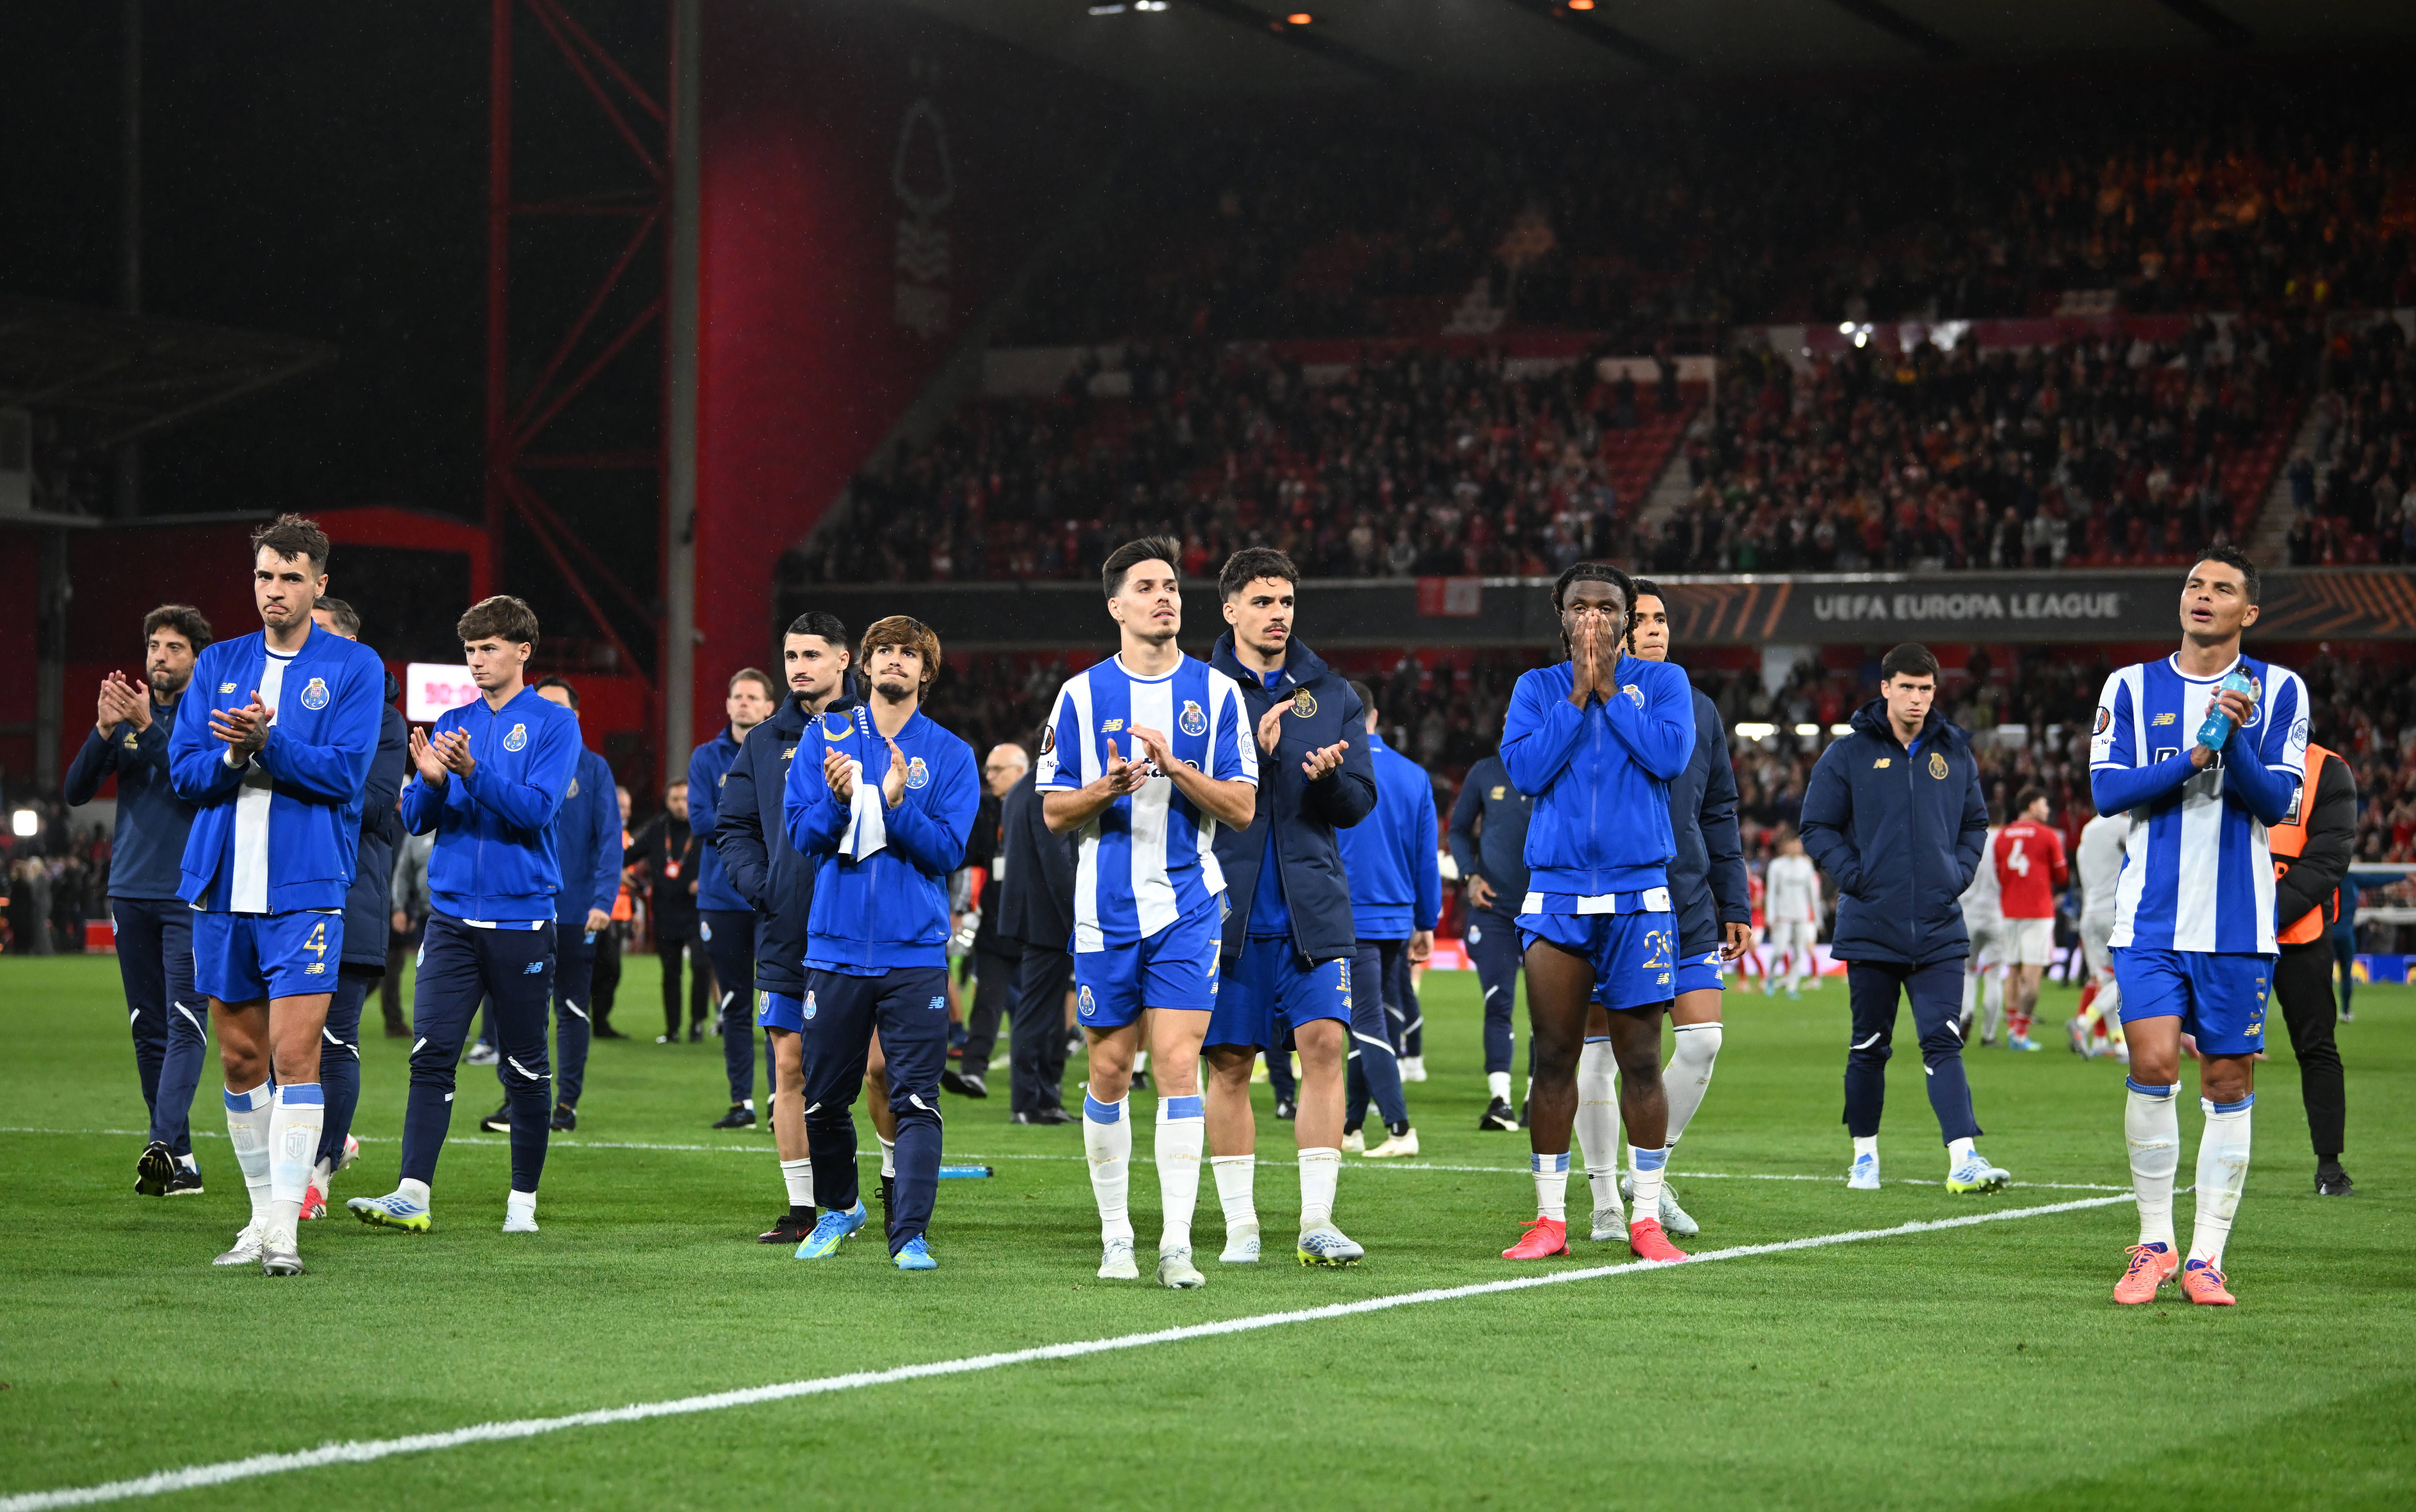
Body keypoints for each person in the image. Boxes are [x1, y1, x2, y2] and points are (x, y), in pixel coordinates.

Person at [2090, 547, 2307, 1306]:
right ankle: (2152, 1243)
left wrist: (2235, 736)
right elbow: (2108, 790)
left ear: (2247, 612)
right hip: (2147, 917)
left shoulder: (2279, 689)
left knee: (2225, 1079)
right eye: (2193, 584)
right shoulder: (2130, 685)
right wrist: (2194, 754)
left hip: (2237, 924)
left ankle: (2205, 1258)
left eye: (2221, 589)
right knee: (2151, 1063)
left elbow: (2275, 802)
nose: (2201, 596)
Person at [1039, 537, 1259, 1287]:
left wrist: (1174, 768)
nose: (1165, 596)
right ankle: (1114, 1236)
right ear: (1116, 606)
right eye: (1146, 586)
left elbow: (1240, 807)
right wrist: (1106, 788)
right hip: (1103, 911)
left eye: (1170, 585)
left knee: (1175, 1064)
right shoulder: (1078, 696)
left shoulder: (1218, 693)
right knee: (1106, 1068)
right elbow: (1053, 812)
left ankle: (1173, 1244)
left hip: (1187, 905)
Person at [169, 515, 385, 1275]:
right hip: (225, 883)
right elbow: (186, 774)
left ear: (319, 584)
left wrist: (271, 744)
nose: (275, 591)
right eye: (265, 576)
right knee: (237, 1061)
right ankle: (260, 1221)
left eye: (292, 578)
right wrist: (232, 751)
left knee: (296, 1056)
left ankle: (287, 1231)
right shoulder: (220, 662)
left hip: (305, 884)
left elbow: (344, 774)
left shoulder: (356, 668)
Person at [349, 596, 581, 1237]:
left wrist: (471, 773)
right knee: (431, 1055)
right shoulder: (454, 718)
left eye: (490, 647)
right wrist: (428, 782)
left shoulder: (554, 724)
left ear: (523, 650)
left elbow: (536, 811)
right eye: (471, 649)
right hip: (449, 918)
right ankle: (412, 1193)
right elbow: (419, 822)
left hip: (522, 919)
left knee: (526, 1065)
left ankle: (522, 1203)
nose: (477, 660)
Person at [1499, 562, 1693, 1265]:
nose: (1593, 617)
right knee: (1553, 1058)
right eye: (1578, 605)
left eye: (1606, 606)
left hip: (1638, 897)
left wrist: (1609, 687)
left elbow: (1668, 757)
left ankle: (1645, 1219)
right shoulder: (1536, 689)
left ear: (1625, 617)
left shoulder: (1663, 685)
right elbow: (1525, 772)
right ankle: (1549, 1220)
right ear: (1560, 616)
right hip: (1555, 898)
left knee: (1641, 1059)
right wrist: (1577, 695)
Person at [781, 616, 978, 1271]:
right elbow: (803, 836)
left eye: (910, 653)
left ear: (927, 671)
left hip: (915, 953)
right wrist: (841, 802)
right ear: (865, 665)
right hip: (834, 948)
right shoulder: (823, 737)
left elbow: (949, 850)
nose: (896, 661)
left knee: (917, 1097)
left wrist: (893, 804)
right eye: (885, 651)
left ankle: (911, 1234)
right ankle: (840, 1208)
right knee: (822, 1097)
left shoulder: (950, 754)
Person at [1199, 552, 1375, 1269]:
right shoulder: (1198, 691)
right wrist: (1256, 761)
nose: (1278, 612)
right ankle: (1241, 1225)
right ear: (1230, 609)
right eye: (1263, 599)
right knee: (1232, 1063)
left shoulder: (1330, 695)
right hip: (1225, 913)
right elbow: (1179, 791)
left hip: (1312, 907)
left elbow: (1358, 801)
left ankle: (1316, 1220)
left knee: (1324, 1050)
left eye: (1287, 600)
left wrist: (1329, 780)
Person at [1800, 642, 2011, 1197]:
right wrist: (1855, 876)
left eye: (1926, 689)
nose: (1917, 698)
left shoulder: (1955, 752)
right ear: (1886, 688)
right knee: (1869, 1044)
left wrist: (1956, 874)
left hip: (1940, 924)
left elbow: (1975, 822)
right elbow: (1816, 824)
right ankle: (1864, 1155)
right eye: (1908, 687)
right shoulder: (1847, 755)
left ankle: (1963, 1157)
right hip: (1871, 922)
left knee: (1943, 1039)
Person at [1591, 580, 1750, 1241]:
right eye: (1643, 620)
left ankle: (1647, 1170)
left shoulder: (1700, 709)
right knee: (1601, 1056)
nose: (1656, 630)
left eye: (1662, 619)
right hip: (1609, 896)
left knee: (1704, 1041)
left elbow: (1717, 809)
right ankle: (1603, 1202)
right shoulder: (1586, 703)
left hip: (1686, 896)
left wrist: (1733, 895)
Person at [66, 603, 211, 1198]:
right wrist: (104, 731)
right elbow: (76, 791)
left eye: (174, 646)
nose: (160, 655)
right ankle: (179, 1158)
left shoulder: (208, 717)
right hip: (129, 890)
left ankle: (160, 1140)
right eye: (155, 644)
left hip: (187, 892)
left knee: (184, 1021)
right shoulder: (127, 720)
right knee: (146, 1027)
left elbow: (192, 785)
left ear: (196, 659)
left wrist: (148, 728)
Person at [717, 611, 853, 1244]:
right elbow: (735, 825)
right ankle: (804, 1207)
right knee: (789, 1064)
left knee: (878, 1069)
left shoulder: (874, 728)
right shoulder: (764, 742)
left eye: (812, 655)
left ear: (843, 660)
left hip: (862, 928)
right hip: (786, 927)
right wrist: (761, 885)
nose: (798, 666)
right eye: (791, 655)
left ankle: (884, 1195)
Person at [297, 597, 407, 1222]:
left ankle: (318, 1170)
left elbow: (374, 805)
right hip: (281, 897)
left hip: (349, 895)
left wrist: (290, 764)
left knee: (334, 1039)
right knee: (273, 1048)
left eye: (326, 635)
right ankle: (326, 1141)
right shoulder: (285, 705)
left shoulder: (384, 720)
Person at [477, 676, 620, 1135]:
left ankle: (566, 1105)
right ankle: (517, 1100)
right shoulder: (515, 766)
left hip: (577, 912)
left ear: (575, 719)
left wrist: (604, 900)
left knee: (572, 1010)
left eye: (559, 708)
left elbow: (609, 840)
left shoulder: (594, 769)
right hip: (522, 909)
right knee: (518, 1009)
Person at [1335, 679, 1431, 1162]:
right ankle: (1351, 1125)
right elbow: (1424, 857)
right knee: (1368, 1016)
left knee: (1365, 1019)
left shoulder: (1331, 773)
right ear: (1374, 717)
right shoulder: (1413, 776)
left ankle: (1399, 1128)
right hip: (1396, 916)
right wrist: (1426, 921)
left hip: (1351, 914)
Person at [690, 667, 779, 1128]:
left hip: (771, 897)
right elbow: (701, 820)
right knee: (734, 1004)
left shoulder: (783, 751)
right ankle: (742, 1101)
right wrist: (751, 818)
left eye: (753, 697)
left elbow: (721, 820)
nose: (744, 703)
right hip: (721, 898)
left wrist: (736, 819)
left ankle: (777, 1101)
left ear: (769, 707)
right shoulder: (706, 757)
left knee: (777, 1002)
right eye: (737, 696)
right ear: (727, 705)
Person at [2267, 740, 2355, 1198]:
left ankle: (2329, 1167)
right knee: (2218, 1050)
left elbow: (2328, 859)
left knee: (2316, 1048)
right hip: (2229, 930)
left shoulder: (2327, 769)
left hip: (2296, 932)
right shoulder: (2221, 754)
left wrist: (2259, 912)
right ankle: (2219, 1163)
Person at [995, 730, 1078, 1125]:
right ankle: (1029, 1102)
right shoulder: (1047, 789)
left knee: (1042, 1012)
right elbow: (1057, 861)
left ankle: (1042, 1098)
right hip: (1049, 918)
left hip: (1034, 915)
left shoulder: (1024, 787)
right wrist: (1079, 918)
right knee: (1037, 1014)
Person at [1448, 741, 1532, 1131]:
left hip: (1546, 910)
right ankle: (1501, 1101)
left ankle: (1538, 1097)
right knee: (1499, 1002)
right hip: (1494, 910)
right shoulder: (1486, 772)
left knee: (1549, 1013)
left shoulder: (1558, 762)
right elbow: (1459, 830)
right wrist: (1470, 874)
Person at [945, 744, 1028, 1100]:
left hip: (1039, 928)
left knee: (1038, 1009)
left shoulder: (1045, 806)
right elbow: (967, 860)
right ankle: (973, 1072)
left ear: (1020, 772)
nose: (989, 776)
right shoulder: (987, 810)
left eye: (997, 770)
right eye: (989, 769)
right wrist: (960, 907)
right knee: (988, 1002)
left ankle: (1036, 1088)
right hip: (996, 924)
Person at [627, 781, 710, 1042]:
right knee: (670, 971)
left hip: (699, 910)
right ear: (667, 801)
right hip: (666, 910)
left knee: (701, 966)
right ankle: (672, 1029)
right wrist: (615, 872)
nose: (680, 805)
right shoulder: (657, 829)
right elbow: (627, 856)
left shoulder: (705, 826)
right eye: (675, 799)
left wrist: (708, 882)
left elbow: (728, 857)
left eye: (685, 799)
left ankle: (697, 1023)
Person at [1992, 787, 2069, 1052]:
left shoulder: (2002, 836)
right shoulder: (2047, 835)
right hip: (2038, 913)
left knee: (2012, 972)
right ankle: (2021, 1032)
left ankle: (2012, 1028)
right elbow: (2062, 876)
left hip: (2009, 911)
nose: (2048, 810)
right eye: (2045, 804)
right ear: (2033, 806)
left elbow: (1999, 874)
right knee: (2032, 976)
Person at [2068, 809, 2129, 1061]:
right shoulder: (2122, 827)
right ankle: (2083, 1023)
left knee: (2107, 983)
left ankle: (2120, 1045)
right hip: (2114, 913)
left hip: (2090, 913)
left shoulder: (2089, 830)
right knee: (2125, 979)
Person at [1958, 811, 2007, 1044]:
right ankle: (1989, 1035)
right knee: (1994, 975)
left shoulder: (1969, 839)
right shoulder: (2006, 840)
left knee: (1967, 971)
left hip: (1968, 913)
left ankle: (1966, 1014)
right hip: (1997, 913)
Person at [590, 785, 632, 1038]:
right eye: (621, 805)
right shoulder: (600, 831)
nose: (626, 811)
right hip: (594, 910)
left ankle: (599, 1021)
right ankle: (580, 1018)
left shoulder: (626, 836)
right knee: (594, 968)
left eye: (628, 806)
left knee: (610, 970)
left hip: (617, 914)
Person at [1762, 830, 1821, 998]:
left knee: (1798, 953)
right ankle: (1770, 978)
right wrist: (1770, 917)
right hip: (1783, 916)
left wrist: (1817, 918)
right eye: (1793, 844)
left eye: (1798, 844)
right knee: (1780, 951)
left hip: (1802, 916)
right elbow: (1771, 893)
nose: (1796, 847)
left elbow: (1813, 894)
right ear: (1785, 846)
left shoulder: (1807, 865)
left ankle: (1792, 987)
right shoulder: (1777, 865)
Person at [384, 827, 431, 1038]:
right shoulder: (417, 834)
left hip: (460, 914)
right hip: (426, 916)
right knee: (429, 973)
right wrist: (401, 908)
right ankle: (433, 1024)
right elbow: (403, 873)